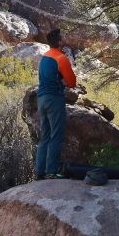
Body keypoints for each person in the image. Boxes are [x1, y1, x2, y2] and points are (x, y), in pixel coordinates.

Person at [34, 28, 77, 180]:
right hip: (54, 99)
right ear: (59, 42)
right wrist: (63, 81)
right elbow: (72, 82)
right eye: (63, 37)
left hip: (41, 99)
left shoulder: (45, 56)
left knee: (44, 136)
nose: (64, 38)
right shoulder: (61, 58)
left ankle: (39, 171)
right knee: (56, 135)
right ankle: (51, 171)